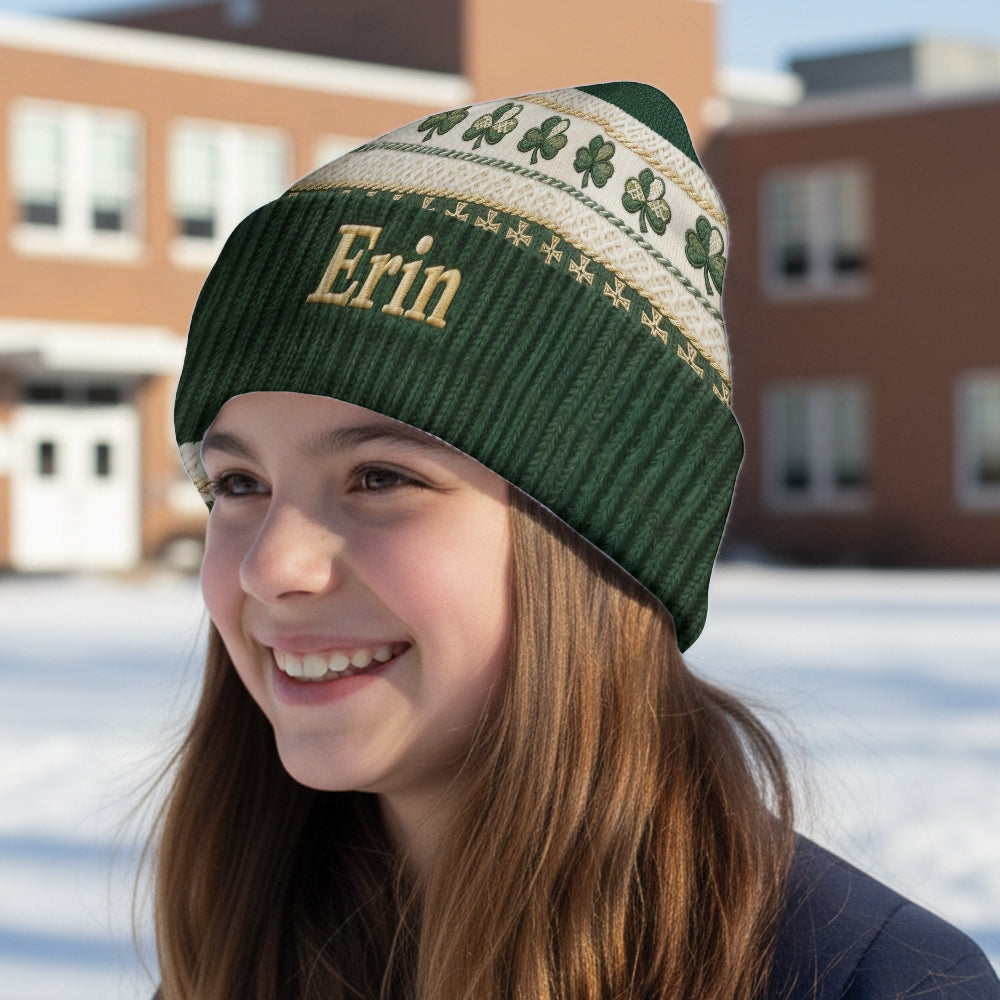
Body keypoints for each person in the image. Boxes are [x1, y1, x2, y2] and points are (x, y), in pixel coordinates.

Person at [157, 82, 999, 1000]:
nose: (272, 565)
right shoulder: (244, 950)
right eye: (238, 484)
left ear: (599, 543)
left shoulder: (875, 984)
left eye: (382, 478)